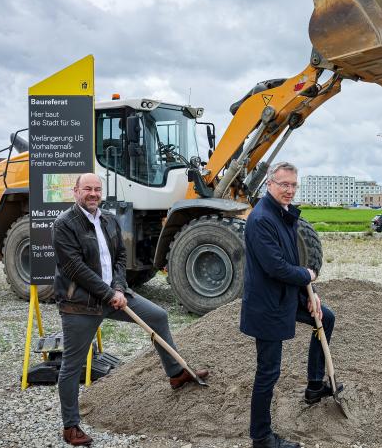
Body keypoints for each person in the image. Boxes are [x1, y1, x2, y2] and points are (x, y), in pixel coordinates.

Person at [52, 173, 208, 446]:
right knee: (72, 366)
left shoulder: (108, 219)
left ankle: (175, 374)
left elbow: (120, 258)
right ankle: (71, 426)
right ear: (75, 191)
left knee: (158, 316)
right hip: (81, 304)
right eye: (87, 188)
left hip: (115, 295)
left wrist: (120, 289)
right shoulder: (64, 224)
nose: (93, 193)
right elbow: (74, 267)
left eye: (97, 189)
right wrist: (108, 293)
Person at [240, 162, 339, 448]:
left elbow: (292, 260)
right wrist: (308, 275)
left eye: (294, 185)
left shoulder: (283, 215)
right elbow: (277, 267)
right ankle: (261, 437)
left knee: (326, 318)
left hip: (287, 297)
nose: (290, 190)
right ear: (269, 183)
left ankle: (314, 385)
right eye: (284, 184)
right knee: (268, 372)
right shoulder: (261, 219)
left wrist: (311, 293)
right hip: (267, 305)